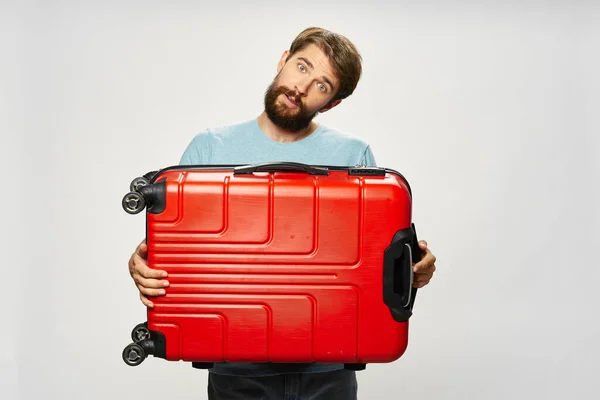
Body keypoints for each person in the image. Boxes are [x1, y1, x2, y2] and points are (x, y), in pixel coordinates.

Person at [127, 26, 437, 400]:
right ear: (283, 61)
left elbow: (372, 261)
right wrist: (140, 263)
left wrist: (413, 270)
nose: (302, 88)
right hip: (235, 369)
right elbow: (178, 250)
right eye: (302, 67)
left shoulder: (354, 157)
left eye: (322, 85)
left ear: (332, 102)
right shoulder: (209, 147)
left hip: (330, 370)